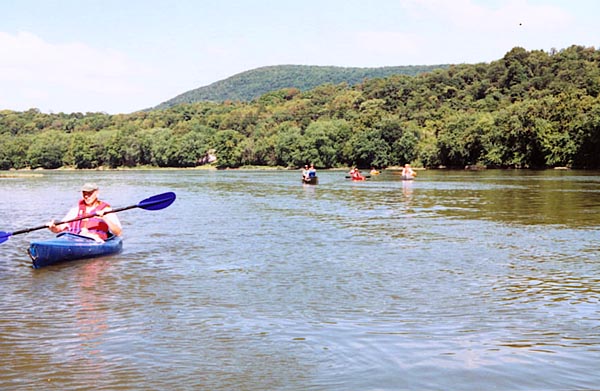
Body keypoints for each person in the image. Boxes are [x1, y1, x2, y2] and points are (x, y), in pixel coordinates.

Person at [47, 183, 122, 242]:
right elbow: (59, 229)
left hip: (94, 241)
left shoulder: (106, 210)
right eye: (84, 193)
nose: (86, 196)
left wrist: (104, 218)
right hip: (74, 240)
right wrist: (53, 227)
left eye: (90, 193)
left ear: (97, 193)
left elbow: (118, 233)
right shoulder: (75, 210)